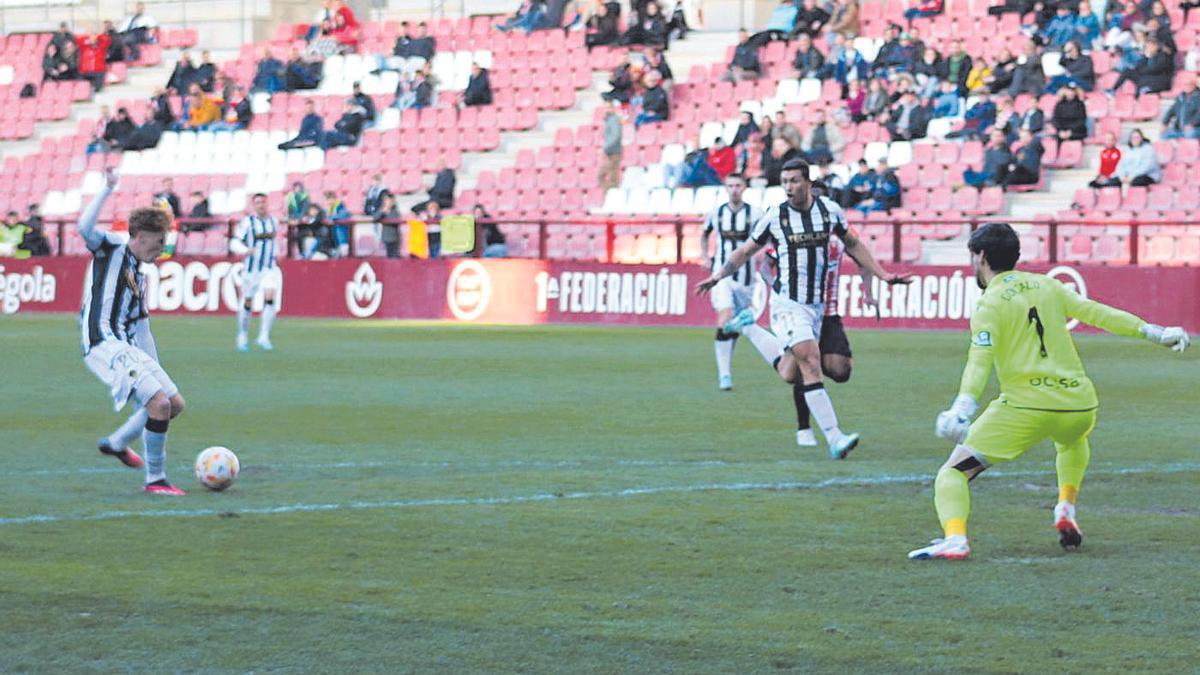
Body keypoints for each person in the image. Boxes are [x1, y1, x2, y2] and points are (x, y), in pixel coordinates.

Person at [908, 223, 1190, 560]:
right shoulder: (1048, 285)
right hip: (1079, 404)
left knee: (953, 472)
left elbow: (979, 360)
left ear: (981, 257)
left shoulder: (989, 302)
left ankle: (955, 538)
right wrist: (1155, 332)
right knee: (1072, 441)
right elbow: (1098, 313)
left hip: (1025, 409)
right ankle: (1065, 508)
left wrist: (962, 408)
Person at [697, 159, 911, 456]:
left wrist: (882, 275)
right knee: (811, 361)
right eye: (784, 181)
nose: (788, 187)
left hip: (817, 306)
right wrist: (718, 275)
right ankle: (835, 437)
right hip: (787, 303)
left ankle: (747, 326)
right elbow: (746, 250)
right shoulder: (775, 216)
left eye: (794, 181)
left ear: (808, 182)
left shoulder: (829, 212)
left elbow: (853, 244)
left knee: (790, 372)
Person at [76, 170, 186, 495]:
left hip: (125, 345)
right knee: (159, 404)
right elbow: (84, 228)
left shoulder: (140, 275)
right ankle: (156, 480)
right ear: (138, 236)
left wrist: (155, 368)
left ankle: (116, 443)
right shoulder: (111, 248)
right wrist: (107, 188)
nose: (162, 248)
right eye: (158, 241)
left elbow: (142, 327)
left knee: (174, 403)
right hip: (102, 343)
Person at [699, 173, 764, 392]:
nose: (734, 189)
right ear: (726, 188)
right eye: (730, 185)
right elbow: (704, 233)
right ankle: (724, 375)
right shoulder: (717, 213)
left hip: (746, 277)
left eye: (738, 185)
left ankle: (727, 368)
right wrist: (705, 255)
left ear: (744, 188)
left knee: (733, 326)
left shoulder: (755, 213)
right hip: (722, 274)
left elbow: (768, 237)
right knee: (725, 316)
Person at [229, 193, 282, 352]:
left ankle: (264, 336)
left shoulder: (274, 221)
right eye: (258, 202)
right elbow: (234, 242)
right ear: (254, 205)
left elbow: (274, 242)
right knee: (247, 302)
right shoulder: (248, 223)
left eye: (263, 202)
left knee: (270, 298)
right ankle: (242, 334)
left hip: (269, 267)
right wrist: (246, 250)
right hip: (252, 269)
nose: (261, 205)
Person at [600, 101, 623, 190]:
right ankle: (610, 193)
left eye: (608, 107)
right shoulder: (608, 119)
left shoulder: (614, 119)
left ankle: (611, 194)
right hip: (611, 151)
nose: (606, 110)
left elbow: (616, 135)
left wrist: (606, 146)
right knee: (610, 175)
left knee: (610, 175)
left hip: (614, 151)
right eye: (605, 108)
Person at [374, 193, 402, 258]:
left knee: (395, 257)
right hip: (386, 238)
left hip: (395, 238)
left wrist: (387, 213)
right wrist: (383, 212)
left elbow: (396, 221)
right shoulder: (382, 210)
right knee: (387, 257)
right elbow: (375, 218)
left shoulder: (395, 211)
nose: (388, 202)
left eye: (390, 201)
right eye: (386, 200)